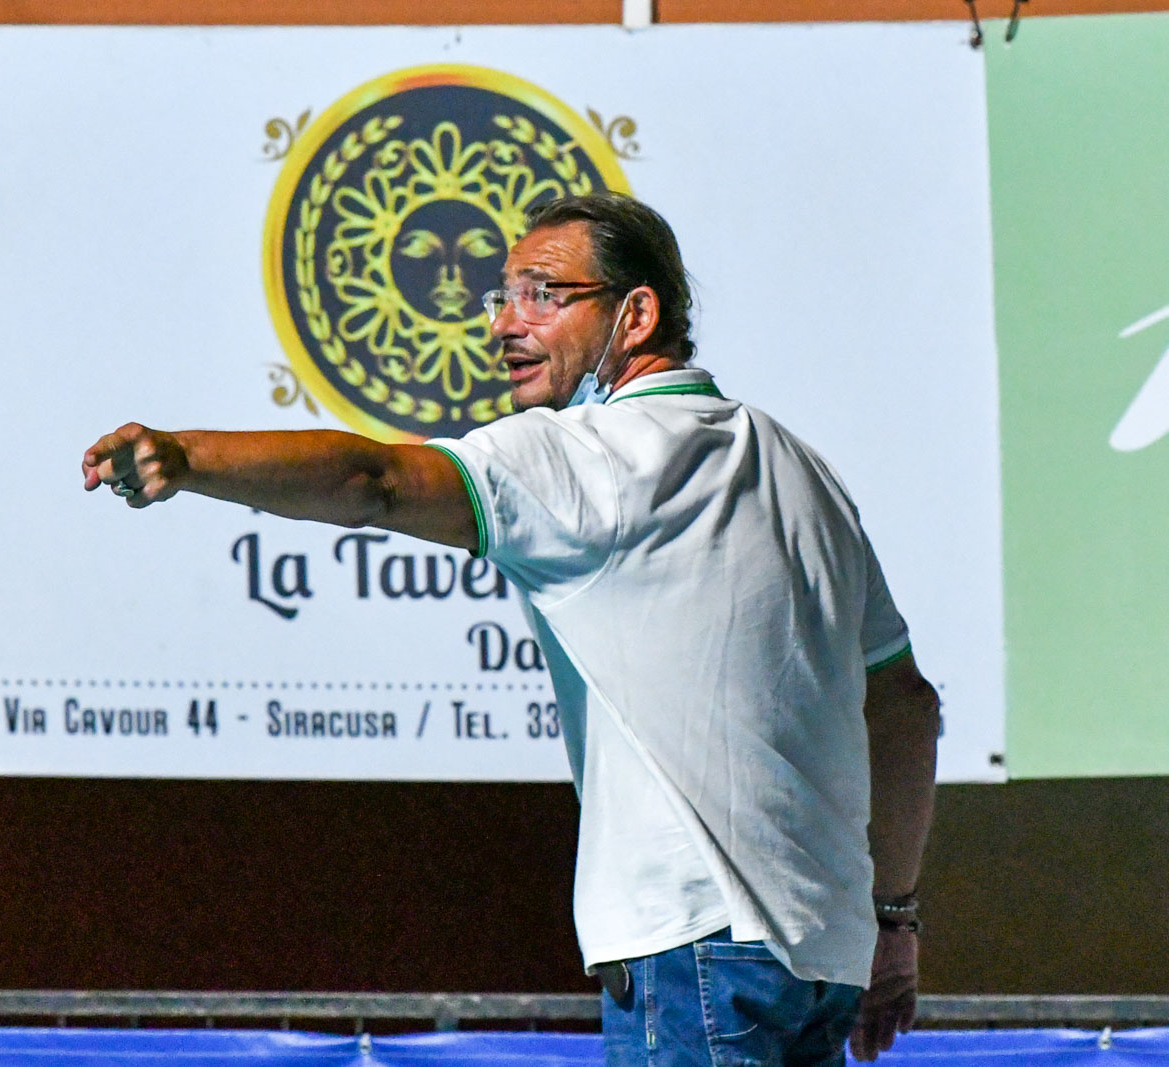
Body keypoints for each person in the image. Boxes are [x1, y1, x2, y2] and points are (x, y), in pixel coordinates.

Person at [82, 192, 940, 1066]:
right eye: (503, 297)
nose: (503, 324)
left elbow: (375, 482)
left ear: (636, 314)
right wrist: (893, 919)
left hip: (695, 950)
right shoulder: (802, 467)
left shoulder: (590, 455)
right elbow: (906, 703)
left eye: (541, 294)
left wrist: (188, 456)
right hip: (828, 955)